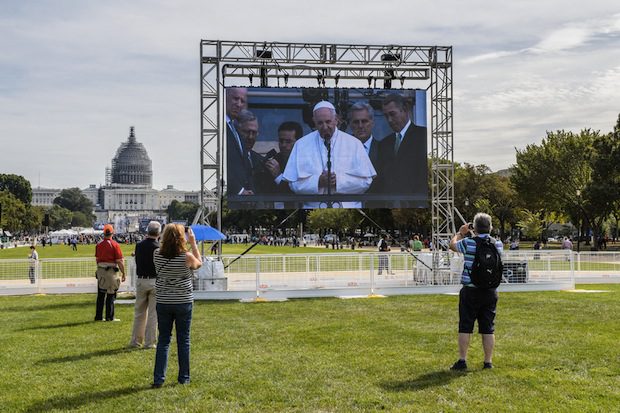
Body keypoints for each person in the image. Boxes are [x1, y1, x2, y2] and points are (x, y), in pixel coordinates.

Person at [282, 101, 376, 208]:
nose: (325, 127)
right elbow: (293, 184)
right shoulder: (301, 144)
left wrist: (338, 181)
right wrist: (318, 182)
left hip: (348, 208)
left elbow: (366, 182)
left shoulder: (354, 143)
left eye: (328, 121)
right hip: (313, 209)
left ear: (336, 120)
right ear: (314, 122)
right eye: (320, 123)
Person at [449, 212, 503, 370]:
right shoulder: (497, 244)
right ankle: (488, 362)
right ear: (490, 227)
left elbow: (452, 245)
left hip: (470, 290)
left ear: (475, 227)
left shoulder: (468, 242)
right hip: (490, 290)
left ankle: (462, 360)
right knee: (488, 327)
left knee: (465, 326)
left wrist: (460, 233)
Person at [152, 224, 202, 388]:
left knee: (163, 340)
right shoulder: (186, 256)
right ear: (181, 238)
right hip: (183, 300)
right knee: (183, 340)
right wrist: (193, 243)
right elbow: (199, 264)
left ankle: (159, 378)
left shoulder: (157, 254)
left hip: (164, 300)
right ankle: (184, 377)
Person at [372, 94, 427, 202]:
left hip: (416, 204)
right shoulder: (384, 144)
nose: (389, 120)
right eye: (386, 116)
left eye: (392, 114)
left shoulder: (423, 135)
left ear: (405, 110)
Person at [129, 221, 161, 349]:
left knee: (139, 313)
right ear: (158, 233)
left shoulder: (139, 245)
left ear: (147, 231)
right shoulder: (158, 247)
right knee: (153, 314)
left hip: (141, 280)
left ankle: (136, 341)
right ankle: (150, 342)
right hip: (154, 281)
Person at [225, 87, 253, 196]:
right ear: (225, 97)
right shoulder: (217, 127)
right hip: (233, 195)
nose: (239, 104)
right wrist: (240, 191)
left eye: (242, 101)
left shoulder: (236, 129)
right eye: (235, 99)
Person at [94, 224, 125, 321]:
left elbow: (97, 259)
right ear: (112, 233)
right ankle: (109, 316)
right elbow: (119, 261)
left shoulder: (98, 244)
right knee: (111, 294)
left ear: (104, 233)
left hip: (101, 270)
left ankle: (98, 316)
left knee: (101, 294)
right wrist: (123, 273)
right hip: (111, 271)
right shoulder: (115, 244)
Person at [264, 121, 304, 193]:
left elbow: (298, 193)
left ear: (299, 142)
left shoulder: (306, 162)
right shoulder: (275, 161)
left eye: (288, 141)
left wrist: (278, 176)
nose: (283, 145)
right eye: (281, 141)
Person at [349, 102, 380, 169]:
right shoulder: (343, 149)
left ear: (372, 123)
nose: (360, 126)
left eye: (364, 121)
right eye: (356, 122)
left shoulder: (382, 149)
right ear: (350, 124)